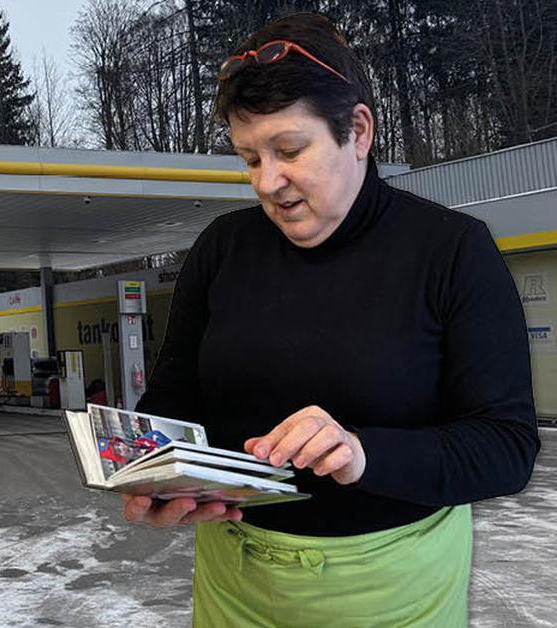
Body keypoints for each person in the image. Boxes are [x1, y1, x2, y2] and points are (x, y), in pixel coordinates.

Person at [123, 12, 540, 627]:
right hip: (236, 581)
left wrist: (362, 454)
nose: (269, 182)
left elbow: (505, 448)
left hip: (397, 587)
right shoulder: (221, 249)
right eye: (248, 159)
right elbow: (172, 402)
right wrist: (157, 475)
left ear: (359, 131)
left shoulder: (452, 251)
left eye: (290, 150)